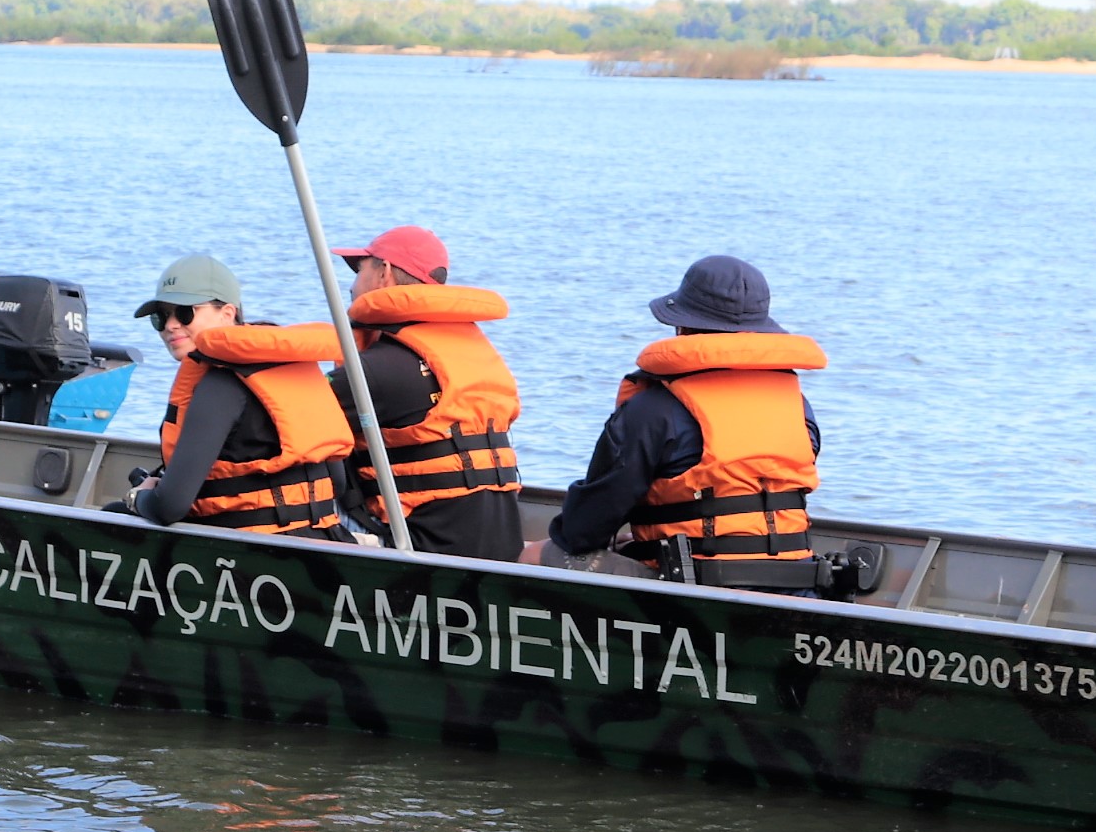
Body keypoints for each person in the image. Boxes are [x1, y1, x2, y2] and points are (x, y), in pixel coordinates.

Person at [530, 255, 825, 584]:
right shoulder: (796, 405)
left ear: (682, 326)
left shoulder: (653, 409)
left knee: (536, 555)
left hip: (695, 587)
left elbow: (582, 532)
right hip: (796, 581)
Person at [121, 254, 359, 538]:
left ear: (227, 313)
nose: (170, 325)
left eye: (184, 313)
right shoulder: (296, 368)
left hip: (253, 554)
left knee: (114, 514)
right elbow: (338, 482)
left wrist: (138, 498)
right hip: (326, 538)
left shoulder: (218, 386)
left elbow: (169, 507)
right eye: (161, 317)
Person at [333, 224, 525, 560]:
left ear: (384, 274)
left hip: (424, 554)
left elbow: (293, 425)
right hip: (500, 549)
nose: (351, 285)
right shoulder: (473, 352)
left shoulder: (377, 369)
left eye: (358, 269)